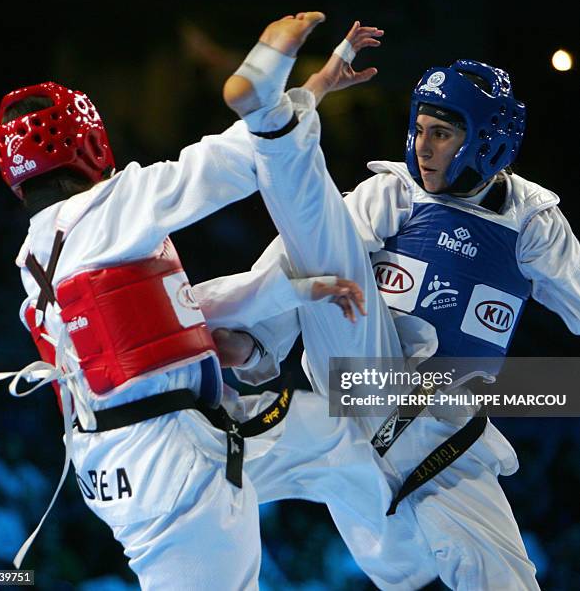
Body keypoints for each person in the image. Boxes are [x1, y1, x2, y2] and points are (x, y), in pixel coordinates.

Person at [0, 11, 407, 590]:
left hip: (136, 457)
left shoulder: (33, 261)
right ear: (91, 142)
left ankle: (415, 575)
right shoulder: (112, 207)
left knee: (341, 441)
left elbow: (169, 313)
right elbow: (238, 157)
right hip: (172, 464)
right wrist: (297, 80)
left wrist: (283, 294)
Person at [225, 54, 580, 588]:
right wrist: (251, 336)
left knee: (508, 579)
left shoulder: (531, 221)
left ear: (486, 140)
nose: (421, 146)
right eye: (418, 129)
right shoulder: (392, 194)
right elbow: (315, 248)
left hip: (441, 442)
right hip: (356, 394)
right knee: (325, 240)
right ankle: (239, 337)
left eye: (441, 133)